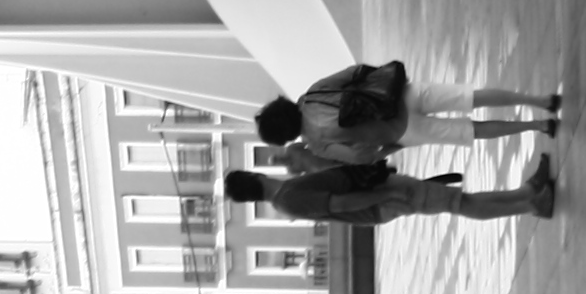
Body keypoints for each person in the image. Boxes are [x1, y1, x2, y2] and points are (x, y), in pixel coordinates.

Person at [260, 64, 559, 166]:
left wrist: (392, 147)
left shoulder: (316, 143)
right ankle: (539, 100)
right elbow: (356, 71)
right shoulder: (315, 93)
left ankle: (537, 125)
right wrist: (384, 85)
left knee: (472, 130)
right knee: (472, 97)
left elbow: (362, 158)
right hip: (403, 95)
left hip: (403, 131)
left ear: (285, 136)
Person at [226, 158, 553, 223]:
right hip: (379, 200)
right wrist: (384, 196)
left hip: (380, 190)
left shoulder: (287, 190)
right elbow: (339, 202)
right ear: (251, 175)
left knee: (458, 200)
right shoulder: (288, 200)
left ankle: (526, 193)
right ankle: (530, 205)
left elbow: (334, 179)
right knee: (459, 203)